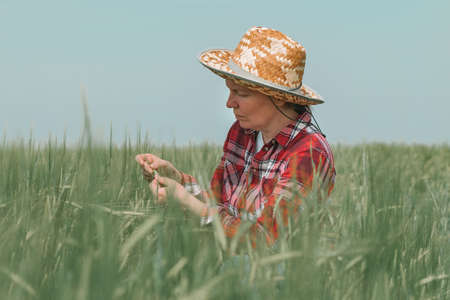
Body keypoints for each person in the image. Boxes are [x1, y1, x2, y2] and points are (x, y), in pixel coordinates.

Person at [136, 26, 335, 246]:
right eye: (230, 91)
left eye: (241, 93)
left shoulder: (309, 153)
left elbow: (266, 239)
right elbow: (218, 204)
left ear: (278, 98)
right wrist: (177, 181)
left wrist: (186, 202)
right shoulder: (241, 133)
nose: (229, 103)